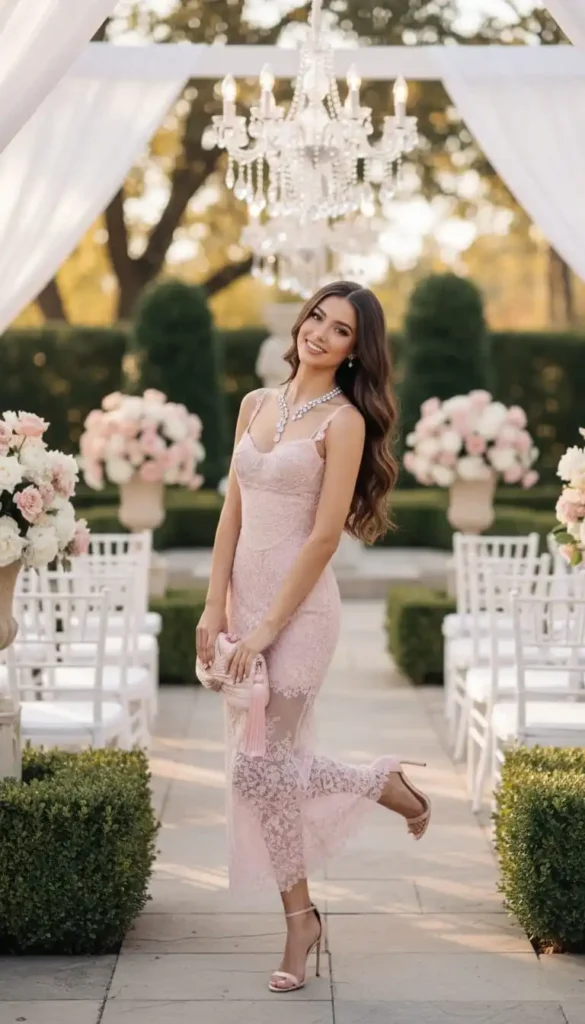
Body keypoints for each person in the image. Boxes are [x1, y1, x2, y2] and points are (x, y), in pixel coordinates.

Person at [196, 280, 431, 994]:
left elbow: (325, 536)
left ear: (357, 351)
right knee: (262, 777)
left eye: (340, 332)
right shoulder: (254, 405)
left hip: (300, 616)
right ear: (301, 322)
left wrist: (268, 626)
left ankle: (378, 786)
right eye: (317, 319)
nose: (320, 334)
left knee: (260, 771)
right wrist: (214, 610)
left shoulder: (344, 422)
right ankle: (301, 915)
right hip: (243, 606)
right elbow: (230, 515)